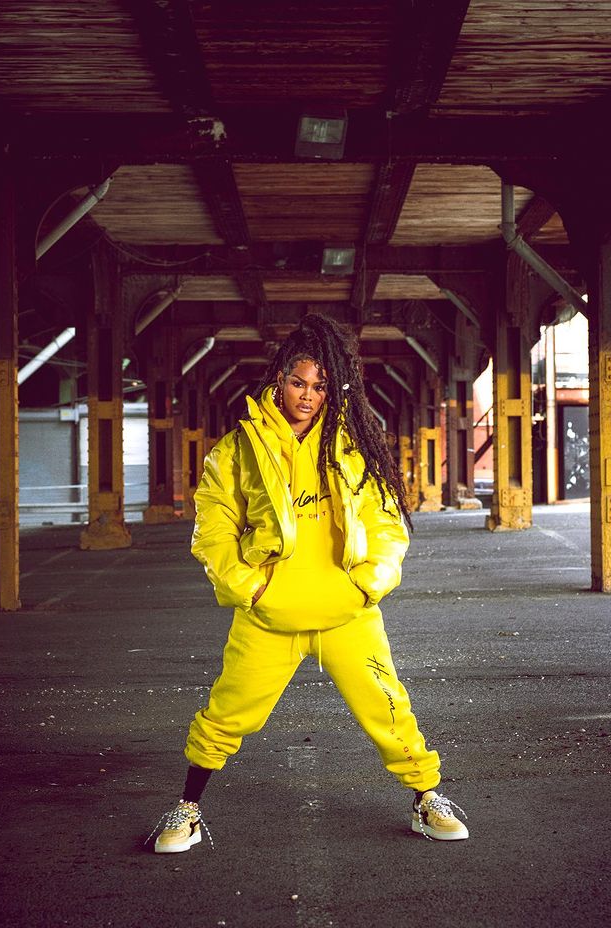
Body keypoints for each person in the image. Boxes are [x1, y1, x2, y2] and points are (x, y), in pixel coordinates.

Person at [147, 314, 468, 853]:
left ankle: (426, 798)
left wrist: (367, 586)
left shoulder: (353, 448)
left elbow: (386, 525)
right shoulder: (237, 450)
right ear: (279, 379)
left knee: (389, 708)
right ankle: (189, 808)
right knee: (226, 712)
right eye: (298, 383)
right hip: (270, 613)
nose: (308, 396)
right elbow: (214, 530)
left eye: (320, 387)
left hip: (347, 611)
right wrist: (251, 590)